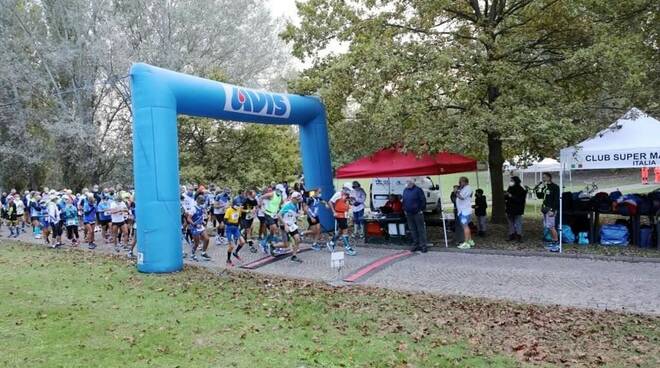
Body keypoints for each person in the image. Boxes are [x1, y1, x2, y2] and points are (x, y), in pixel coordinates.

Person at [535, 172, 560, 251]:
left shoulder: (555, 187)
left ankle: (556, 241)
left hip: (550, 209)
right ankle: (553, 241)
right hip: (544, 208)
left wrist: (553, 210)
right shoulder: (545, 187)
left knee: (551, 226)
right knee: (547, 226)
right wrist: (537, 189)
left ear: (549, 177)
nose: (543, 178)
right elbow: (540, 196)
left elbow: (556, 200)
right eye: (543, 177)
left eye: (545, 177)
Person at [276, 191, 304, 262]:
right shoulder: (287, 205)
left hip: (292, 225)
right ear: (293, 198)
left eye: (299, 199)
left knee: (297, 239)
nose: (298, 201)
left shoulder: (296, 205)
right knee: (286, 245)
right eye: (297, 199)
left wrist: (297, 218)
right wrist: (285, 225)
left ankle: (294, 256)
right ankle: (273, 246)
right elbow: (279, 215)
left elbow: (291, 214)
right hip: (284, 225)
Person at [328, 189, 356, 256]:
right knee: (345, 230)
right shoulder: (338, 194)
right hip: (339, 215)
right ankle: (348, 248)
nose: (349, 192)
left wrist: (351, 201)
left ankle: (331, 242)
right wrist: (334, 212)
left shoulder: (347, 195)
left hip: (344, 214)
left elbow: (350, 202)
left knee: (340, 231)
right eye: (348, 190)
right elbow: (330, 202)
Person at [402, 179, 428, 253]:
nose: (407, 183)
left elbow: (423, 200)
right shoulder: (405, 190)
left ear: (412, 183)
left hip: (417, 213)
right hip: (409, 213)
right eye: (406, 182)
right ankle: (415, 244)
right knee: (412, 230)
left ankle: (423, 246)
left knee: (420, 230)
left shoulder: (418, 190)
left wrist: (421, 209)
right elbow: (404, 200)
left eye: (408, 182)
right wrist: (404, 209)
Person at [259, 184, 286, 254]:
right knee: (276, 230)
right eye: (280, 190)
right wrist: (261, 205)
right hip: (268, 214)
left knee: (272, 232)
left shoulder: (280, 196)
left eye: (282, 191)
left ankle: (263, 244)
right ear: (277, 189)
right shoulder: (271, 194)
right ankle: (277, 248)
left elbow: (281, 203)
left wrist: (281, 208)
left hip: (274, 215)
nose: (281, 192)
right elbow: (261, 197)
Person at [188, 195, 212, 262]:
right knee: (197, 243)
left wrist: (203, 221)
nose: (203, 202)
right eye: (202, 200)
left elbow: (201, 216)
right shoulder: (193, 208)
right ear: (198, 200)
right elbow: (188, 218)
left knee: (207, 239)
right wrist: (193, 224)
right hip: (194, 227)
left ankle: (203, 253)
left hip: (200, 226)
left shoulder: (202, 207)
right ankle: (192, 255)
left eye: (203, 201)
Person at [223, 199, 246, 266]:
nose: (238, 206)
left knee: (242, 242)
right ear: (233, 204)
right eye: (237, 205)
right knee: (231, 246)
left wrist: (239, 225)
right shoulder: (229, 210)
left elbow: (239, 218)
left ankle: (236, 253)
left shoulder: (239, 209)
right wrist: (232, 223)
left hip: (236, 229)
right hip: (229, 229)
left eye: (239, 205)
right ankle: (228, 260)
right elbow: (225, 221)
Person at [504, 176, 527, 242]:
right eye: (510, 180)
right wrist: (506, 195)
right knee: (510, 223)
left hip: (518, 209)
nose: (511, 182)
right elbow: (506, 198)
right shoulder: (510, 188)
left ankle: (519, 236)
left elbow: (520, 200)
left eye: (512, 181)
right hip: (510, 208)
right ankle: (511, 234)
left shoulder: (521, 189)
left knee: (518, 223)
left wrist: (511, 196)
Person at [455, 177, 474, 250]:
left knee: (465, 226)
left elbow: (462, 197)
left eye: (460, 182)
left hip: (464, 212)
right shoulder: (464, 188)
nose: (459, 184)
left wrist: (456, 192)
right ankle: (470, 240)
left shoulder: (468, 188)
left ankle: (466, 243)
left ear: (464, 182)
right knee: (466, 226)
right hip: (463, 211)